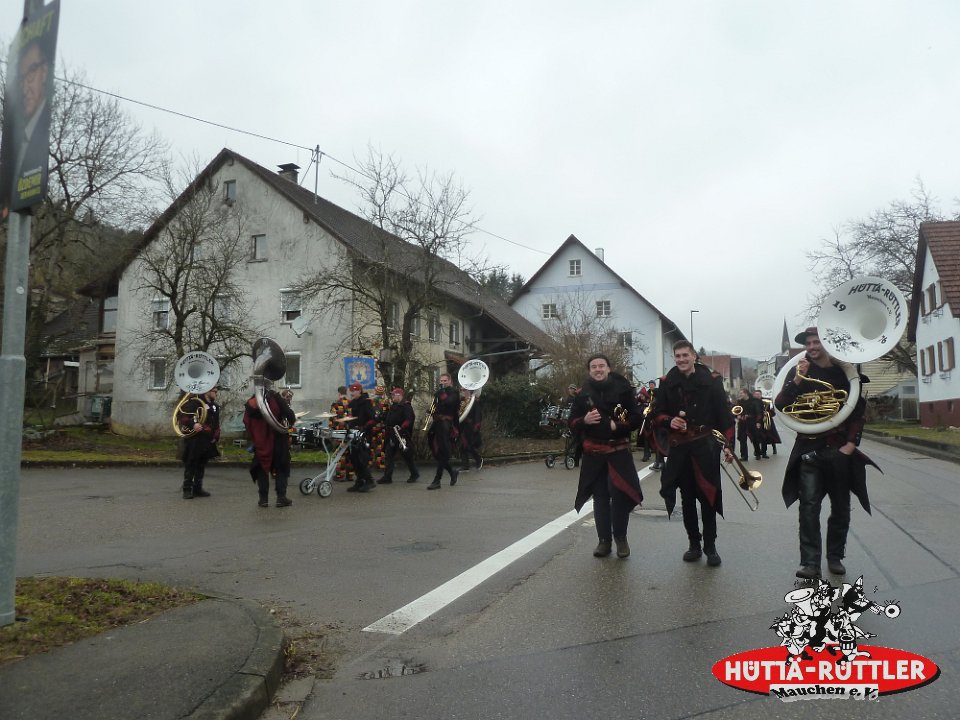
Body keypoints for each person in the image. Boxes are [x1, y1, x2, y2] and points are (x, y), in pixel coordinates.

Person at [774, 327, 878, 580]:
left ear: (826, 344)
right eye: (808, 343)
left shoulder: (845, 373)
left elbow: (857, 413)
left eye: (816, 342)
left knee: (841, 507)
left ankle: (835, 556)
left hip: (838, 447)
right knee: (808, 508)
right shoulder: (799, 371)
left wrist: (850, 445)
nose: (812, 347)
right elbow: (781, 404)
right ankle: (810, 563)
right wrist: (798, 380)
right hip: (809, 447)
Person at [654, 340, 735, 567]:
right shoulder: (667, 382)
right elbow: (657, 414)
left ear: (694, 357)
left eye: (685, 355)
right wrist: (670, 420)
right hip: (680, 448)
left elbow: (725, 416)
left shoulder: (712, 380)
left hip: (705, 446)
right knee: (687, 498)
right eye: (678, 356)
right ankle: (694, 544)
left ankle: (710, 546)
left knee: (709, 496)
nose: (681, 359)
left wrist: (727, 445)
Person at [568, 354, 643, 559]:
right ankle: (604, 541)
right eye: (594, 367)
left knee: (619, 495)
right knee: (600, 497)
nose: (598, 369)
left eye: (601, 366)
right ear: (589, 371)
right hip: (594, 454)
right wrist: (584, 420)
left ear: (609, 368)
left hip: (618, 452)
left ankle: (620, 538)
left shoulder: (624, 390)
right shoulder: (582, 394)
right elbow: (571, 422)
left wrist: (617, 426)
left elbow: (637, 417)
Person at [0, 36, 53, 214]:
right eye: (21, 78)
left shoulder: (40, 131)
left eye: (31, 73)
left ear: (44, 71)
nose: (25, 87)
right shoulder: (14, 136)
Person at [243, 388, 296, 507]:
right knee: (282, 467)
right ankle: (281, 498)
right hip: (278, 439)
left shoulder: (252, 401)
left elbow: (246, 421)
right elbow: (290, 416)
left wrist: (255, 436)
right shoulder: (276, 398)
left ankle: (263, 499)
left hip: (261, 441)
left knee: (262, 468)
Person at [178, 386, 221, 499]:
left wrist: (215, 436)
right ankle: (187, 489)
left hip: (207, 439)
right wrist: (193, 424)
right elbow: (182, 417)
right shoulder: (195, 403)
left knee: (202, 464)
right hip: (195, 439)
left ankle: (198, 488)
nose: (216, 393)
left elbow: (216, 423)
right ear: (208, 391)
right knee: (191, 463)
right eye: (215, 391)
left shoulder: (215, 406)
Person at [379, 387, 420, 484]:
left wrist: (402, 427)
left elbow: (409, 419)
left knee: (407, 456)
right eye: (392, 395)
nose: (392, 396)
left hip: (401, 435)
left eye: (394, 395)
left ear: (399, 396)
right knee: (389, 455)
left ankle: (414, 474)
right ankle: (387, 477)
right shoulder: (393, 406)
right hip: (391, 434)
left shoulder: (406, 406)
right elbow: (388, 418)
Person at [426, 373, 460, 490]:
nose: (443, 382)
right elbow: (436, 406)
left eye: (445, 380)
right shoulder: (439, 393)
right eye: (441, 381)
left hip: (447, 424)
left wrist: (441, 394)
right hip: (437, 423)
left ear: (450, 381)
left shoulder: (454, 393)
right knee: (435, 448)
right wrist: (431, 410)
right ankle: (452, 471)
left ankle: (437, 480)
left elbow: (449, 402)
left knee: (442, 451)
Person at [345, 382, 379, 493]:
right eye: (351, 391)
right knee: (354, 458)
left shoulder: (366, 402)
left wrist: (364, 427)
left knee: (362, 458)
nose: (352, 393)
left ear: (360, 391)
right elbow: (352, 417)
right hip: (354, 433)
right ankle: (360, 481)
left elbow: (374, 419)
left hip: (364, 434)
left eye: (354, 391)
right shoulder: (352, 403)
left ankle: (369, 481)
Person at [330, 386, 355, 482]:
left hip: (339, 432)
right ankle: (350, 475)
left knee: (340, 453)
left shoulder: (336, 404)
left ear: (339, 393)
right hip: (349, 431)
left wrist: (331, 428)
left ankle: (340, 475)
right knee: (350, 453)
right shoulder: (350, 403)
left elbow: (332, 418)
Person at [458, 388, 483, 471]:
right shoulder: (461, 401)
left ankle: (479, 459)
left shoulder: (475, 401)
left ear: (469, 391)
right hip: (462, 426)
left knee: (469, 446)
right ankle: (465, 465)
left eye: (464, 390)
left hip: (470, 427)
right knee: (462, 446)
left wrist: (476, 425)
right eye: (461, 390)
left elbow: (478, 414)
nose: (463, 392)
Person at [561, 383, 583, 467]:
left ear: (574, 390)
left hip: (577, 421)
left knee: (578, 441)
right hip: (572, 421)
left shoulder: (576, 398)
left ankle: (575, 459)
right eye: (569, 389)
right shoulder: (568, 399)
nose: (570, 390)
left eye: (571, 389)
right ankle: (574, 458)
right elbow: (565, 409)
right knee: (577, 441)